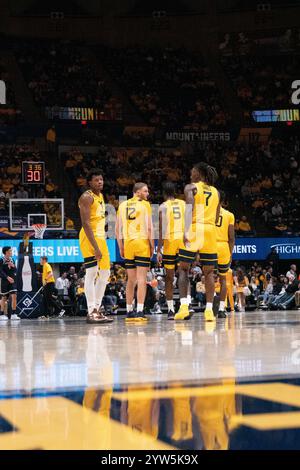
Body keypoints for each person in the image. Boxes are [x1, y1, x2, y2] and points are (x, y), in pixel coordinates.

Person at [175, 162, 220, 322]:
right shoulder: (216, 192)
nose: (190, 173)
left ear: (199, 174)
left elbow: (189, 206)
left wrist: (186, 230)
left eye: (192, 171)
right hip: (210, 230)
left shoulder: (191, 187)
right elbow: (216, 217)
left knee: (183, 270)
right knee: (209, 272)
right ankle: (209, 311)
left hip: (194, 228)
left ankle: (184, 307)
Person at [78, 169, 113, 324]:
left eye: (101, 179)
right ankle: (91, 310)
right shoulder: (86, 197)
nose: (100, 182)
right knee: (92, 272)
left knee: (105, 274)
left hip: (100, 237)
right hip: (89, 237)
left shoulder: (100, 196)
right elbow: (85, 224)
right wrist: (96, 247)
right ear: (90, 182)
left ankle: (97, 309)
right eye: (96, 180)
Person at [116, 182, 154, 322]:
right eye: (145, 191)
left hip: (128, 244)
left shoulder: (122, 205)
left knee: (131, 280)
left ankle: (129, 310)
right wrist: (151, 246)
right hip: (141, 243)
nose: (147, 194)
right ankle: (139, 311)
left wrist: (121, 246)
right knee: (142, 279)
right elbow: (149, 228)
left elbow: (117, 230)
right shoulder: (145, 205)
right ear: (137, 192)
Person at [157, 181, 185, 320]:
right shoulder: (183, 204)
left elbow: (162, 230)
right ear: (175, 192)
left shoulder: (162, 206)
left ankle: (170, 309)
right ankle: (186, 305)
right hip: (183, 241)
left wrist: (158, 250)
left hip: (169, 242)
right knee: (184, 274)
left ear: (164, 194)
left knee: (169, 277)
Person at [215, 192, 235, 318]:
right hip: (223, 247)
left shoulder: (208, 214)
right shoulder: (229, 215)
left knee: (209, 277)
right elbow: (231, 238)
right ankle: (222, 308)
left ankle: (210, 305)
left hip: (210, 245)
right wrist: (230, 253)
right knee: (223, 280)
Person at [0, 246, 19, 321]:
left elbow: (15, 270)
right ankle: (1, 314)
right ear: (6, 252)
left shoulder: (12, 260)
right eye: (10, 251)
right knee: (4, 297)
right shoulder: (1, 260)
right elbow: (0, 271)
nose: (11, 252)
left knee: (14, 296)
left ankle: (14, 314)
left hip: (12, 281)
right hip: (5, 281)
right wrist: (7, 277)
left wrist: (13, 266)